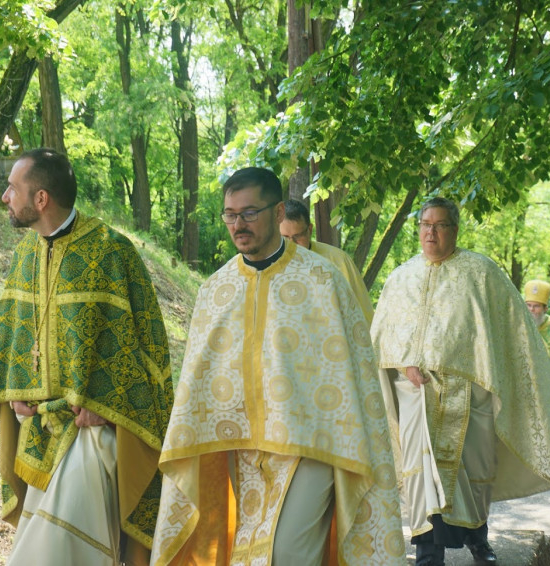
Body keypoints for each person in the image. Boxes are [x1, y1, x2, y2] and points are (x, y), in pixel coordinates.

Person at [150, 167, 405, 565]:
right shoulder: (215, 290)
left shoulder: (322, 280)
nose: (238, 224)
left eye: (249, 213)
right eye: (230, 214)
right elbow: (198, 377)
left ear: (279, 211)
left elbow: (355, 371)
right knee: (248, 552)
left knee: (288, 552)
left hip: (312, 443)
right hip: (241, 448)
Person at [371, 197, 550, 566]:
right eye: (425, 224)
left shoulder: (482, 272)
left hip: (470, 392)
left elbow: (512, 330)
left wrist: (488, 370)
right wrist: (404, 363)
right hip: (416, 394)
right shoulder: (401, 277)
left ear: (455, 230)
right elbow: (383, 336)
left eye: (440, 225)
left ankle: (479, 540)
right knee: (423, 474)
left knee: (472, 471)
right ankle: (427, 554)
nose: (430, 232)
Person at [0, 148, 174, 566]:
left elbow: (147, 348)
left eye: (12, 188)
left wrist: (111, 408)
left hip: (91, 436)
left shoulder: (112, 253)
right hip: (37, 432)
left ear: (41, 199)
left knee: (60, 551)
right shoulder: (24, 255)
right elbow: (14, 333)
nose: (4, 197)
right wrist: (18, 392)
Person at [280, 198, 374, 321]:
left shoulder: (339, 261)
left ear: (309, 230)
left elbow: (363, 313)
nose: (292, 244)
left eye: (298, 236)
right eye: (285, 238)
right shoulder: (265, 266)